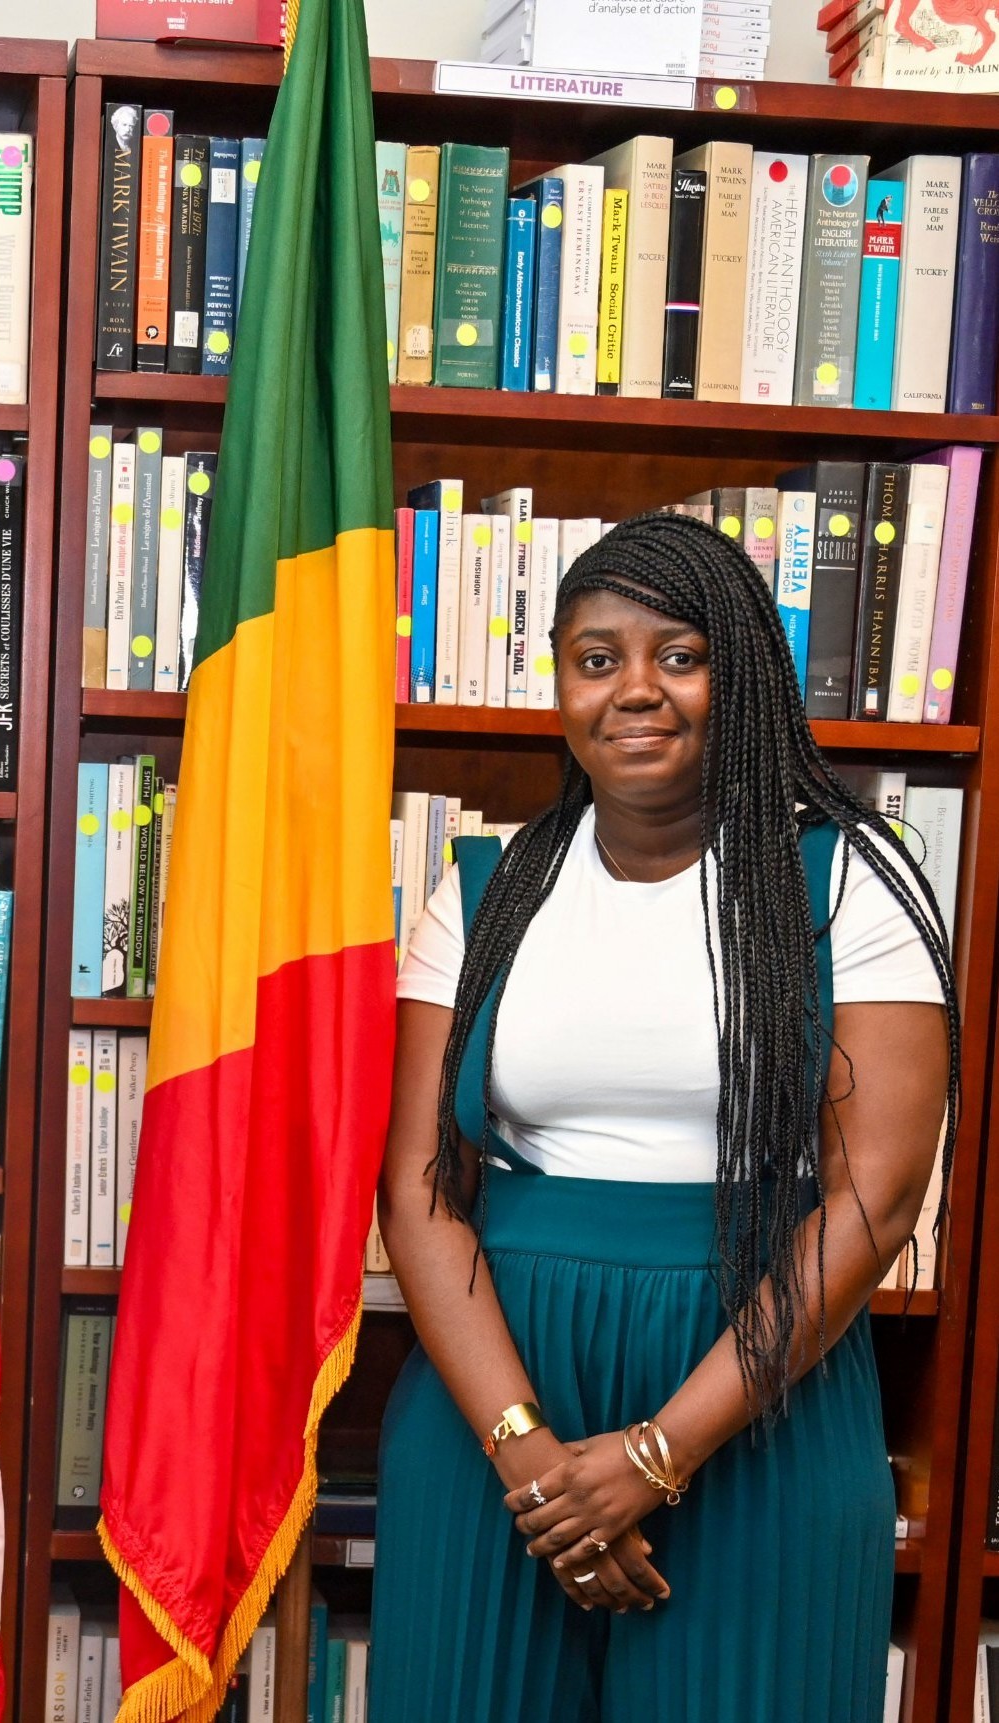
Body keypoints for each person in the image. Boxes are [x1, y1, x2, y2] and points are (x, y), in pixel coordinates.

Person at [370, 512, 955, 1722]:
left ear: (742, 676)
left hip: (758, 1389)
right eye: (595, 659)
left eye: (678, 655)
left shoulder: (846, 884)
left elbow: (877, 1196)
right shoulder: (481, 893)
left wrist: (656, 1453)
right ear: (560, 687)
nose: (633, 689)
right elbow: (420, 1188)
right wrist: (533, 1460)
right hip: (499, 1399)